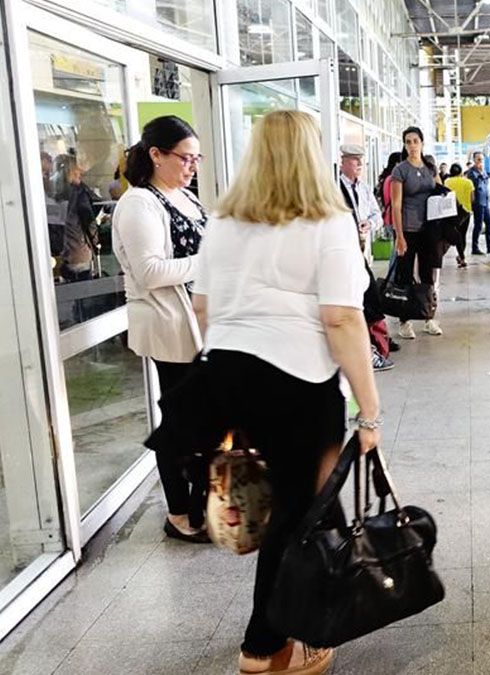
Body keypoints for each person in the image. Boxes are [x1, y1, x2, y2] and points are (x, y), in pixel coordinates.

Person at [150, 110, 381, 675]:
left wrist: (239, 358)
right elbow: (342, 320)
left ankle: (286, 627)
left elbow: (203, 307)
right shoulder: (327, 222)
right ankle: (267, 645)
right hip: (299, 381)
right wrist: (369, 412)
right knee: (303, 512)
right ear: (312, 156)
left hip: (227, 376)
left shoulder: (224, 222)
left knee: (284, 507)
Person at [111, 115, 209, 543]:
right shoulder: (138, 204)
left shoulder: (185, 197)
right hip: (170, 326)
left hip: (200, 323)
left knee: (203, 421)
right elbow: (150, 271)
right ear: (156, 155)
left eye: (196, 158)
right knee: (180, 423)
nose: (193, 167)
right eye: (185, 158)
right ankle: (179, 512)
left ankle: (204, 505)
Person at [337, 144, 393, 372]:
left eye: (360, 160)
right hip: (343, 251)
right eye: (353, 160)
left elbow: (376, 214)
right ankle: (368, 348)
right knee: (363, 297)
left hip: (360, 248)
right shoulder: (335, 187)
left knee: (367, 295)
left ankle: (377, 342)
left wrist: (369, 223)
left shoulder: (364, 188)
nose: (359, 165)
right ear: (342, 162)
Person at [389, 126, 444, 339]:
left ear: (422, 143)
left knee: (427, 274)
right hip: (408, 228)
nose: (412, 145)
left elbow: (441, 193)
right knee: (404, 274)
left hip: (429, 229)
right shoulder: (400, 170)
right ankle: (404, 321)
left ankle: (429, 317)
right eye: (408, 142)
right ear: (404, 145)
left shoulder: (430, 168)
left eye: (415, 141)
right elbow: (396, 205)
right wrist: (399, 236)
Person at [464, 151, 490, 255]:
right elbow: (476, 185)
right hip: (478, 202)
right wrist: (481, 174)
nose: (480, 162)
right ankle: (475, 247)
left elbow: (486, 182)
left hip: (485, 202)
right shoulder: (472, 172)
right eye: (478, 159)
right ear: (474, 160)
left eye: (482, 159)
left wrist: (483, 173)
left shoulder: (483, 171)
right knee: (478, 225)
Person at [444, 163, 474, 269]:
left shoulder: (447, 182)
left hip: (451, 212)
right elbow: (472, 198)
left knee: (456, 234)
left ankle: (461, 256)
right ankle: (461, 257)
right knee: (463, 235)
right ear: (461, 172)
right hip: (465, 212)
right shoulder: (468, 182)